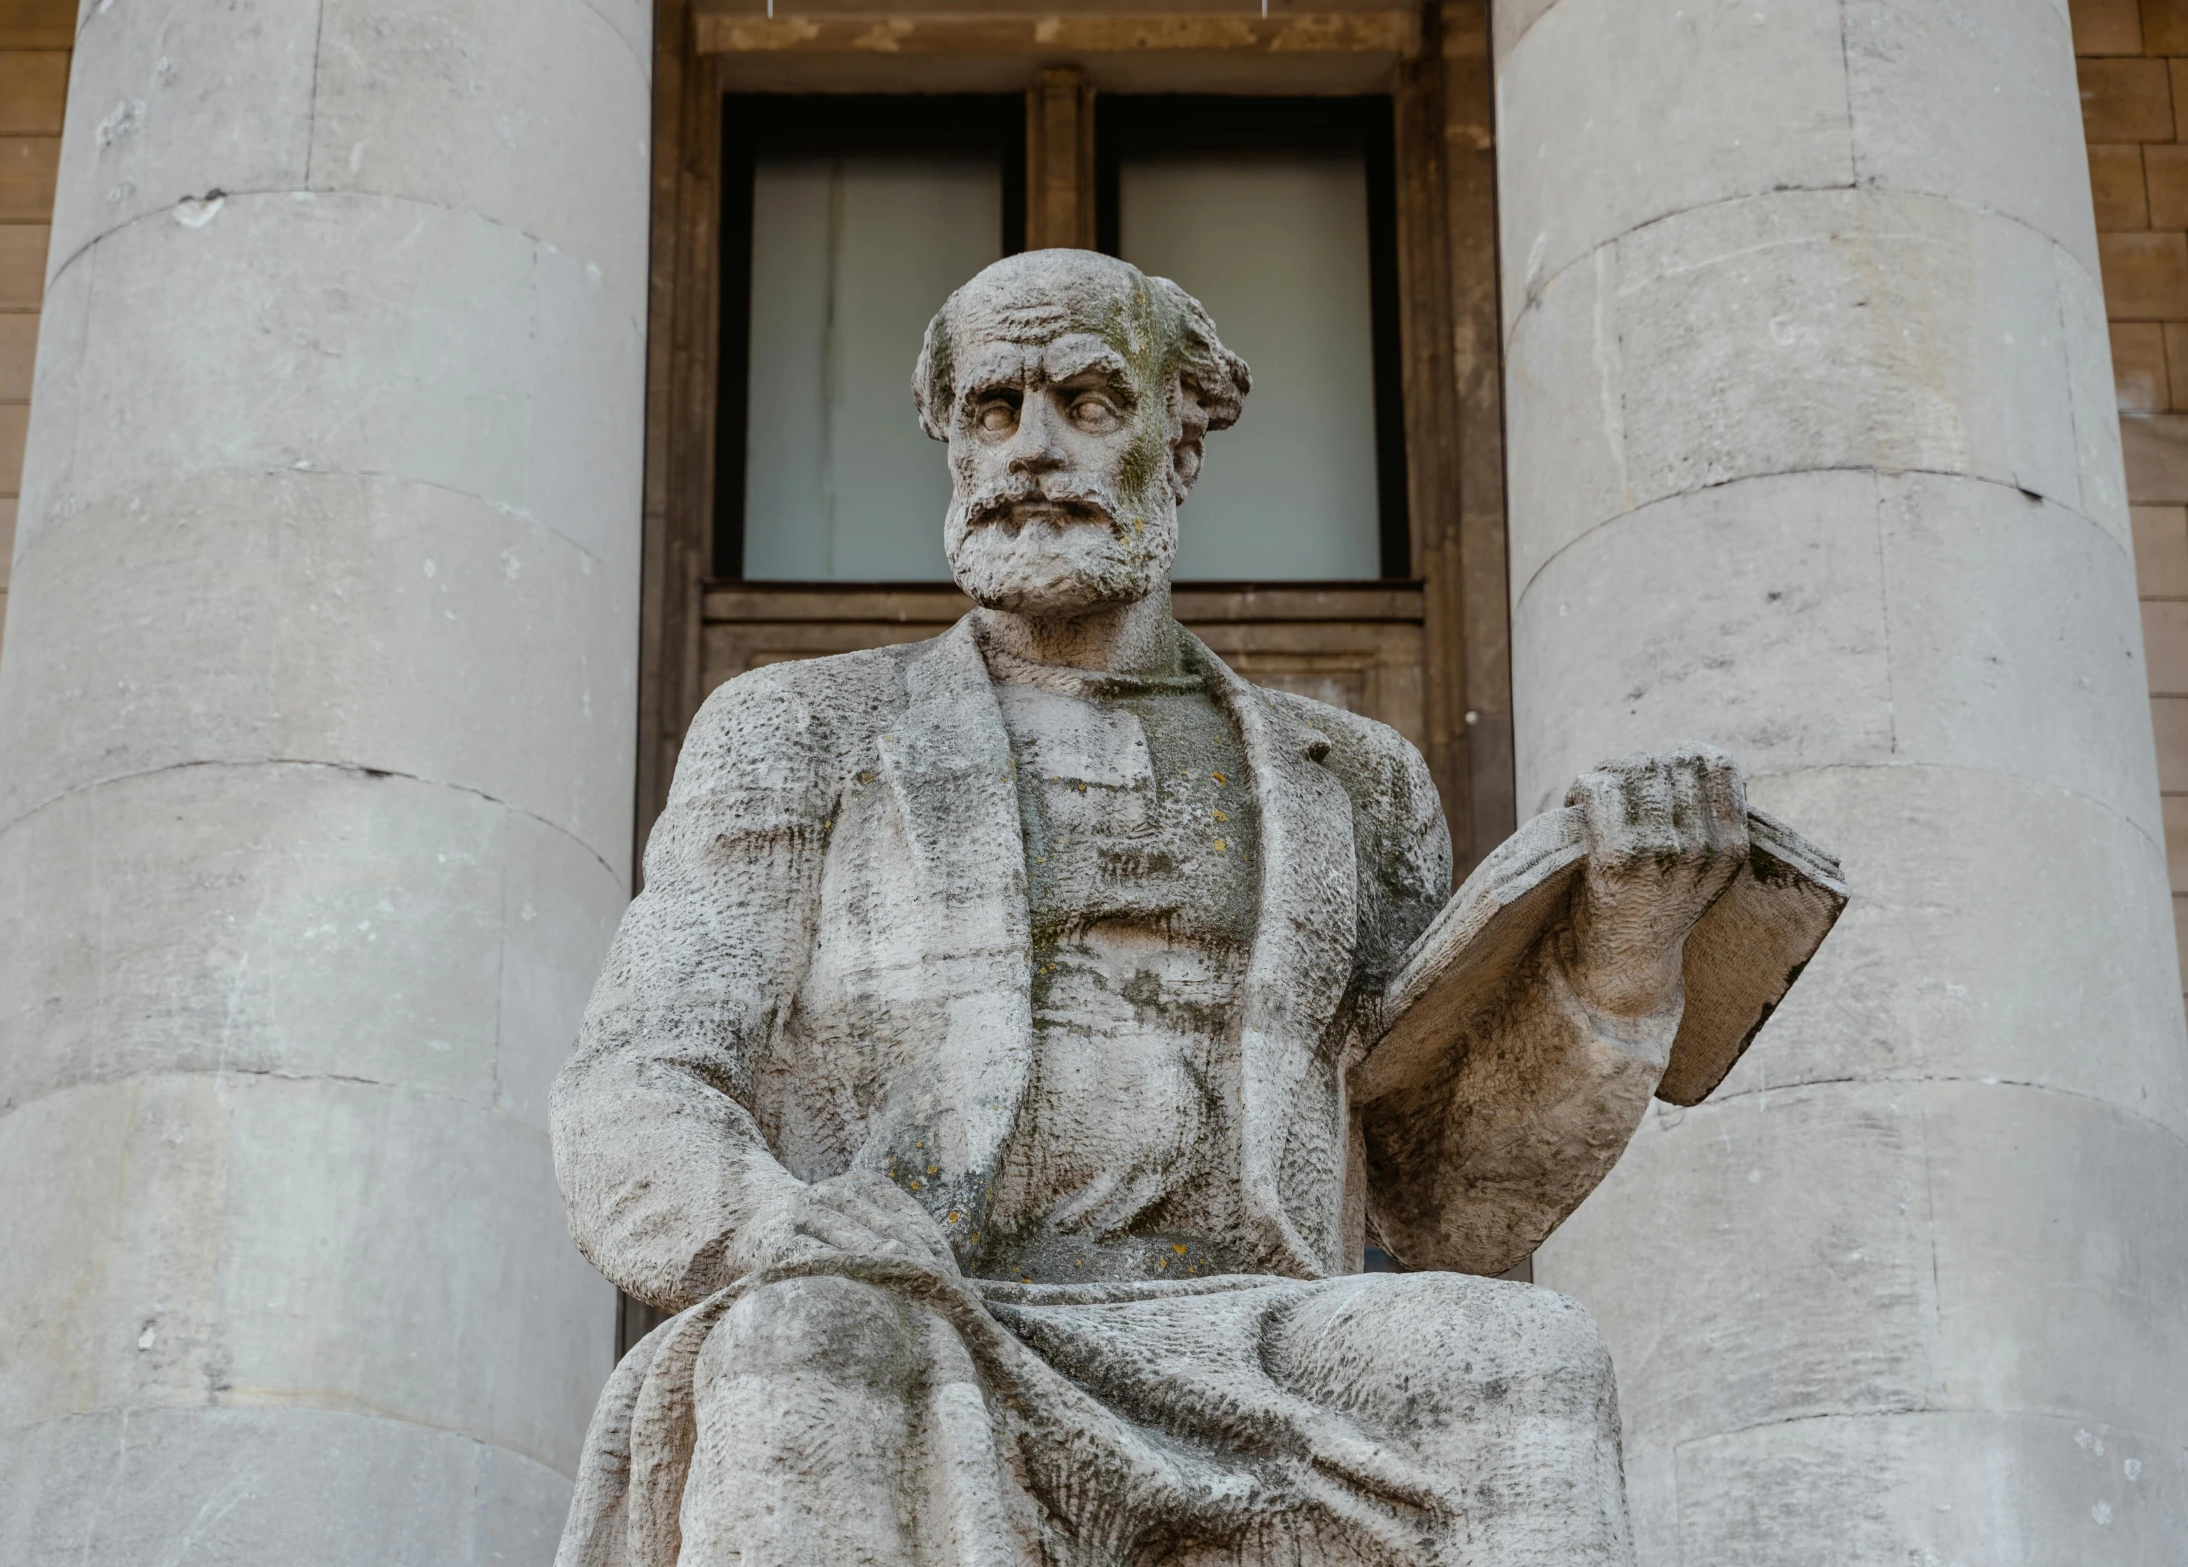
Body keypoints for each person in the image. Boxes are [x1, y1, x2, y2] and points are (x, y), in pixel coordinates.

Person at [550, 250, 1754, 1567]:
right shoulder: (799, 731)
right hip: (927, 1307)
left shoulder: (1350, 777)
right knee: (810, 1340)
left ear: (1179, 440)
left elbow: (1446, 1198)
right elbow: (640, 1077)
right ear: (948, 437)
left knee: (1522, 1353)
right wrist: (772, 1224)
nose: (1031, 449)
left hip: (1252, 1332)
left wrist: (1626, 951)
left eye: (1087, 399)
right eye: (992, 410)